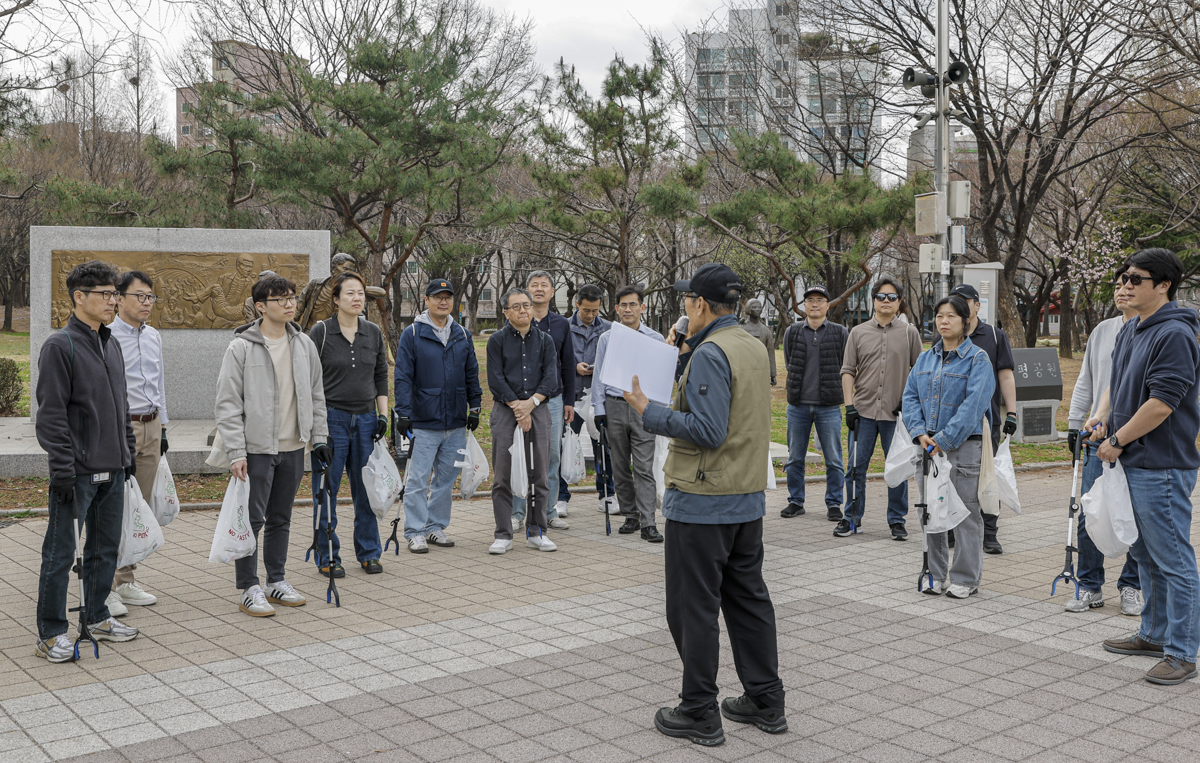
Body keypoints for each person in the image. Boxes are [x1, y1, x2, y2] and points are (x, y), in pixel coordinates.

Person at [626, 263, 785, 745]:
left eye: (686, 302)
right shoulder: (752, 345)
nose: (683, 309)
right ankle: (765, 700)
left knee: (692, 607)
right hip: (744, 495)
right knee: (747, 601)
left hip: (703, 499)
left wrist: (648, 411)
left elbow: (710, 430)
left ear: (699, 304)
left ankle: (698, 709)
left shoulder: (712, 352)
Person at [1088, 249, 1200, 686]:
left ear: (1163, 285)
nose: (1126, 284)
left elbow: (1161, 404)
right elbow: (1118, 384)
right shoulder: (1133, 328)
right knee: (1145, 554)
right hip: (1132, 459)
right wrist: (1103, 417)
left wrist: (1117, 439)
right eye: (1123, 276)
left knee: (1173, 559)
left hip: (1162, 465)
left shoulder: (1173, 333)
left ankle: (1182, 651)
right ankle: (1153, 635)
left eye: (1136, 278)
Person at [35, 260, 139, 661]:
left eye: (115, 293)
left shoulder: (111, 343)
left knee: (104, 550)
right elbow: (51, 415)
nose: (114, 300)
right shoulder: (61, 345)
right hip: (75, 474)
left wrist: (126, 454)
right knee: (60, 554)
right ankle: (50, 632)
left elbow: (122, 406)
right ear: (80, 297)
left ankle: (96, 616)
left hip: (113, 468)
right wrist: (62, 469)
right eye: (106, 294)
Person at [214, 275, 330, 617]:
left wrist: (319, 438)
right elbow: (227, 403)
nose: (289, 303)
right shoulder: (241, 347)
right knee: (250, 519)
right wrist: (236, 452)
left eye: (292, 297)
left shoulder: (304, 344)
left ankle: (275, 580)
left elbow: (316, 395)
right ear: (260, 306)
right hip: (256, 449)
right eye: (280, 299)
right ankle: (249, 586)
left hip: (294, 445)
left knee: (281, 517)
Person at [902, 294, 995, 599]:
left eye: (951, 316)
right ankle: (934, 572)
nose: (944, 321)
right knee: (930, 511)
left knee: (965, 511)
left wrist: (942, 440)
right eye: (939, 316)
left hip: (962, 446)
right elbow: (910, 397)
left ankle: (966, 577)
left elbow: (974, 406)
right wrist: (919, 434)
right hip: (926, 446)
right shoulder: (926, 359)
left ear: (965, 322)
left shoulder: (978, 359)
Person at [1064, 284, 1142, 615]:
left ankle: (1131, 585)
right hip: (1097, 437)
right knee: (1088, 512)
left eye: (1133, 282)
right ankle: (1089, 585)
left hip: (1138, 439)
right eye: (1119, 283)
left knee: (1136, 515)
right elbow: (1088, 380)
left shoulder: (1154, 332)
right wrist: (1074, 423)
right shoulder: (1103, 330)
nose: (1123, 290)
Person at [309, 271, 391, 574]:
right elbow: (309, 381)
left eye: (360, 294)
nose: (357, 299)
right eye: (350, 293)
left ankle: (369, 552)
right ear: (335, 299)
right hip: (332, 419)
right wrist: (316, 430)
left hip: (367, 420)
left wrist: (383, 414)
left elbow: (380, 376)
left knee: (366, 490)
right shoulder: (320, 333)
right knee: (326, 490)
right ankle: (328, 555)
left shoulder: (373, 332)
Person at [395, 278, 482, 553]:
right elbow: (402, 377)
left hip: (455, 420)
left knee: (445, 479)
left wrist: (475, 406)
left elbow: (471, 373)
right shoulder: (412, 333)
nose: (443, 301)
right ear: (427, 300)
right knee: (418, 480)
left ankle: (435, 527)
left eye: (447, 297)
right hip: (423, 421)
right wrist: (404, 413)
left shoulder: (463, 334)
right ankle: (415, 531)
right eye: (437, 297)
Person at [839, 275, 923, 540]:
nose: (886, 301)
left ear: (899, 303)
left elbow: (920, 371)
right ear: (873, 301)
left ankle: (897, 520)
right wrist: (849, 405)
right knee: (854, 468)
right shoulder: (858, 332)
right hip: (862, 413)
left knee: (897, 468)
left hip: (896, 416)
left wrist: (909, 402)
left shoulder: (909, 333)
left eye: (892, 297)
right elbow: (847, 370)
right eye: (881, 297)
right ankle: (851, 518)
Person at [106, 270, 169, 616]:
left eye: (150, 297)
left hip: (152, 424)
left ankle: (126, 579)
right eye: (140, 296)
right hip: (122, 429)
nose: (146, 303)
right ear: (119, 297)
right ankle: (105, 586)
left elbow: (159, 383)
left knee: (139, 507)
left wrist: (165, 430)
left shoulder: (154, 336)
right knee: (114, 507)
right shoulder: (108, 336)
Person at [486, 287, 559, 554]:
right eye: (516, 306)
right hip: (506, 409)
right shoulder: (496, 340)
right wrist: (518, 407)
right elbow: (496, 379)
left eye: (526, 305)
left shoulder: (545, 340)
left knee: (540, 472)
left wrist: (531, 404)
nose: (523, 310)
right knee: (502, 474)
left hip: (538, 407)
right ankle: (503, 533)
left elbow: (551, 378)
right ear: (506, 312)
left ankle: (537, 530)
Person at [592, 285, 666, 543]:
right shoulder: (606, 339)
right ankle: (630, 515)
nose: (627, 309)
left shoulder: (654, 339)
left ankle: (649, 523)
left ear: (642, 307)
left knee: (644, 467)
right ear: (616, 308)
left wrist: (658, 411)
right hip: (614, 405)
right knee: (621, 466)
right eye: (622, 305)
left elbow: (660, 377)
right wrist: (599, 409)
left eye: (633, 304)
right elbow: (598, 376)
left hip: (643, 408)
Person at [948, 283, 1017, 554]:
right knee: (951, 476)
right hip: (950, 421)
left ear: (977, 305)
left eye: (966, 302)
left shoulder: (994, 336)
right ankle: (952, 529)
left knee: (987, 477)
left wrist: (1011, 411)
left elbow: (1006, 375)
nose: (962, 307)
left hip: (986, 420)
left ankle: (989, 532)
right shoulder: (946, 335)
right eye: (956, 303)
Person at [512, 271, 574, 530]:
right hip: (521, 400)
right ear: (526, 292)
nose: (539, 289)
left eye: (544, 286)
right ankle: (516, 514)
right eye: (533, 285)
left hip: (554, 401)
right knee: (519, 454)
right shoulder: (516, 320)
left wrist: (569, 400)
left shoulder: (561, 324)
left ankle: (548, 511)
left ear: (551, 292)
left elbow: (568, 364)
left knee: (551, 456)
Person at [782, 285, 848, 520]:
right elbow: (790, 363)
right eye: (810, 300)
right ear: (804, 306)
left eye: (820, 300)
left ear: (828, 305)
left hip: (828, 406)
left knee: (833, 458)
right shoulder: (792, 332)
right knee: (794, 457)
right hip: (798, 405)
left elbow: (846, 365)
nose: (815, 304)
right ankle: (796, 501)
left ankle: (833, 503)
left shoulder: (840, 333)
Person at [566, 284, 616, 514]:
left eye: (595, 310)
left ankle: (607, 494)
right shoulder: (564, 327)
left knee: (604, 448)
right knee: (565, 445)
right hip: (572, 396)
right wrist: (573, 367)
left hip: (599, 398)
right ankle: (561, 497)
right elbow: (555, 360)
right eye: (586, 310)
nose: (590, 315)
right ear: (577, 304)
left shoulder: (609, 328)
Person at [296, 253, 386, 329]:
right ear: (333, 268)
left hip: (334, 336)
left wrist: (358, 288)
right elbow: (297, 309)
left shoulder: (350, 293)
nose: (348, 273)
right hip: (310, 333)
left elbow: (382, 292)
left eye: (351, 271)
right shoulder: (316, 284)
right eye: (345, 269)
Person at [741, 298, 777, 385]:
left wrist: (773, 374)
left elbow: (770, 353)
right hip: (744, 370)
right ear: (748, 309)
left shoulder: (766, 331)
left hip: (761, 370)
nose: (757, 309)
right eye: (754, 307)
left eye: (759, 307)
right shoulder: (742, 328)